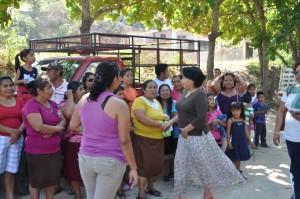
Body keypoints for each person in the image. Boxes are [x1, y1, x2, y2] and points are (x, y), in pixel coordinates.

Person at [168, 67, 244, 199]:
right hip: (184, 136)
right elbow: (182, 112)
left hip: (198, 137)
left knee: (201, 164)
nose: (182, 80)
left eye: (184, 77)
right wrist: (170, 122)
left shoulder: (200, 95)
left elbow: (201, 118)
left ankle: (207, 193)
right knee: (180, 162)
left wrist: (186, 129)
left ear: (192, 79)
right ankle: (177, 194)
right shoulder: (186, 91)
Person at [69, 61, 138, 199]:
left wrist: (92, 130)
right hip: (109, 160)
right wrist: (134, 168)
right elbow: (124, 141)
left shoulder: (85, 98)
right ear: (115, 79)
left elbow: (73, 126)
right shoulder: (118, 104)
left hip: (85, 158)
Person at [22, 77, 66, 199]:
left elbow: (63, 120)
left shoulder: (52, 104)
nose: (52, 90)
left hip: (54, 150)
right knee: (36, 180)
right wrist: (57, 129)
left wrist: (55, 129)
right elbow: (38, 127)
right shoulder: (31, 106)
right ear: (39, 90)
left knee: (52, 179)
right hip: (37, 151)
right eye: (49, 87)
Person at [131, 80, 168, 199]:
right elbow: (141, 118)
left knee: (153, 166)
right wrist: (159, 125)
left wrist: (165, 122)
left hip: (158, 139)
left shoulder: (156, 102)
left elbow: (160, 117)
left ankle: (151, 188)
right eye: (150, 87)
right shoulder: (139, 100)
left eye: (155, 87)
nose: (153, 89)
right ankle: (141, 193)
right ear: (144, 89)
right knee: (144, 166)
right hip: (143, 139)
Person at [273, 62, 300, 199]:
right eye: (296, 72)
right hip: (292, 137)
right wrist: (276, 131)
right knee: (295, 168)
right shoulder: (289, 90)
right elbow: (281, 110)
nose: (298, 74)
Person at [0, 76, 25, 199]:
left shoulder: (19, 101)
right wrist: (11, 131)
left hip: (16, 140)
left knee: (11, 169)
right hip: (1, 139)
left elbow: (25, 118)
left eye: (11, 85)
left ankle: (10, 196)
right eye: (5, 86)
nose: (9, 88)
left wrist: (19, 132)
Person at [59, 81, 85, 199]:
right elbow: (70, 114)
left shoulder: (87, 103)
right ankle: (78, 195)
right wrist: (70, 98)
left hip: (86, 141)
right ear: (72, 93)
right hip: (71, 143)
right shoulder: (64, 104)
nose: (84, 91)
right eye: (80, 89)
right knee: (73, 169)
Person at [226, 102, 255, 179]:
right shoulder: (230, 120)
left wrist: (251, 141)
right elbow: (228, 132)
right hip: (234, 142)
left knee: (239, 159)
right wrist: (228, 143)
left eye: (237, 110)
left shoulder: (243, 120)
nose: (235, 112)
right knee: (234, 159)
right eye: (233, 110)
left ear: (241, 110)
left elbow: (246, 132)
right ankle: (232, 175)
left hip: (242, 142)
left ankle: (238, 174)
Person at [157, 84, 178, 182]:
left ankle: (168, 172)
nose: (165, 92)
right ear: (159, 92)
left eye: (167, 90)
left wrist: (168, 123)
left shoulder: (173, 102)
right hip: (157, 130)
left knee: (170, 152)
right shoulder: (155, 102)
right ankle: (162, 171)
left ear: (170, 92)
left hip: (171, 131)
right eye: (163, 90)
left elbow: (176, 117)